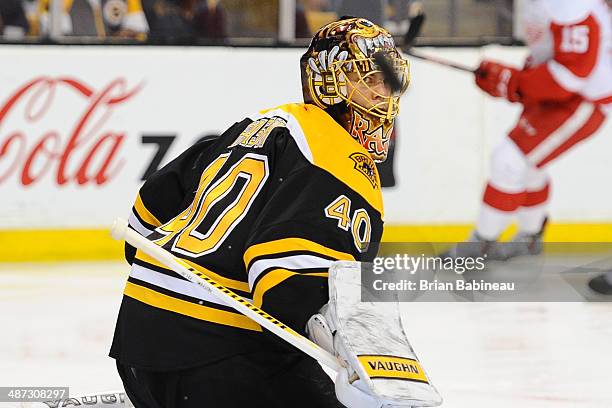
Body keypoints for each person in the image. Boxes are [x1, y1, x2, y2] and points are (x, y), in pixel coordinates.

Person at [110, 17, 410, 408]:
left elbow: (147, 211)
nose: (381, 94)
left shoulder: (254, 126)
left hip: (136, 342)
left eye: (386, 81)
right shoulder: (343, 161)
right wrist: (356, 359)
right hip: (217, 357)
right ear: (327, 84)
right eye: (365, 80)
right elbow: (285, 283)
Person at [445, 0, 612, 260]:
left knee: (509, 161)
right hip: (564, 93)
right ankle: (529, 237)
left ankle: (481, 243)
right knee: (529, 165)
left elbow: (574, 72)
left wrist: (514, 83)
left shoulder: (570, 3)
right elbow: (551, 51)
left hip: (584, 99)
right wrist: (517, 79)